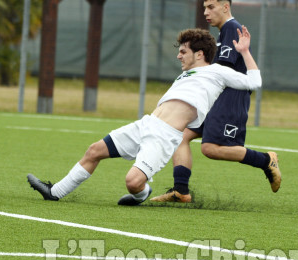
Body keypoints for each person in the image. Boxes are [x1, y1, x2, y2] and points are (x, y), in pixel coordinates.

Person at [27, 26, 275, 206]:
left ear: (199, 54)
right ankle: (55, 192)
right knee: (94, 151)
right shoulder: (185, 74)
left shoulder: (218, 71)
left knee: (132, 183)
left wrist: (244, 52)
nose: (179, 55)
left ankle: (142, 193)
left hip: (164, 136)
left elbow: (255, 81)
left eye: (183, 51)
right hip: (146, 124)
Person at [156, 0, 280, 203]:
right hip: (215, 98)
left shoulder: (232, 28)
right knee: (180, 135)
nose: (206, 12)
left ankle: (266, 160)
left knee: (211, 149)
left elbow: (222, 70)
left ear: (226, 7)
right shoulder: (223, 32)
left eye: (211, 7)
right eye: (204, 7)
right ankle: (181, 191)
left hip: (230, 99)